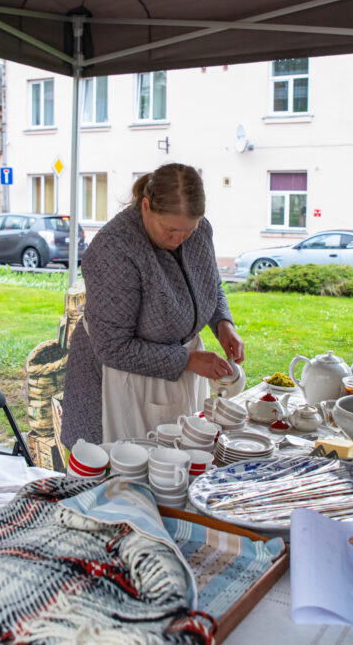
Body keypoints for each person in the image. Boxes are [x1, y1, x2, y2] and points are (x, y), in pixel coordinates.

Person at [60, 163, 244, 449]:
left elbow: (210, 283)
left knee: (180, 460)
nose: (177, 240)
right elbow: (113, 347)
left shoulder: (200, 231)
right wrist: (187, 360)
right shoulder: (114, 249)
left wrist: (223, 323)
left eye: (188, 230)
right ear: (146, 207)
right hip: (121, 379)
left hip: (178, 367)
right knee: (129, 473)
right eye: (169, 229)